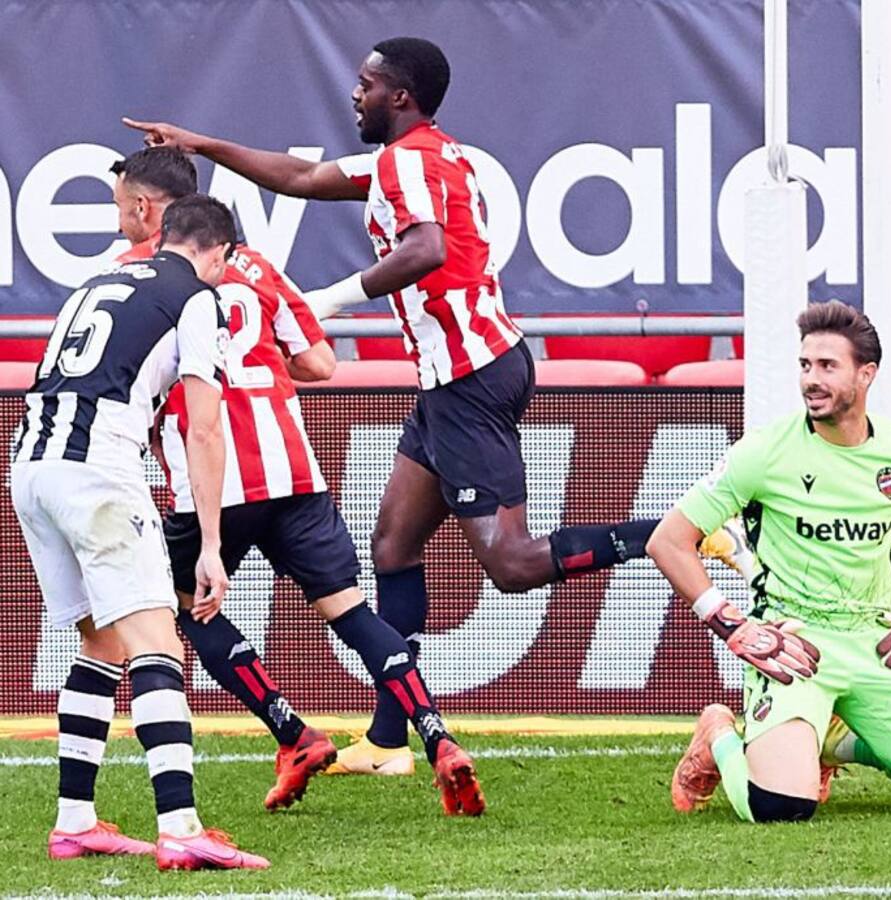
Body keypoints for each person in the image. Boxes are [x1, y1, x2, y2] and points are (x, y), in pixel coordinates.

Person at [124, 37, 669, 775]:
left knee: (511, 564)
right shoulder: (411, 157)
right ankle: (388, 740)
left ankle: (666, 534)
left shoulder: (408, 163)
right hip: (454, 378)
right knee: (392, 547)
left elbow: (426, 249)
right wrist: (202, 144)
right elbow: (303, 177)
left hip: (471, 376)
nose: (355, 94)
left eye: (367, 83)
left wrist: (329, 299)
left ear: (400, 96)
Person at [110, 146, 483, 815]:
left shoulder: (135, 274)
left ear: (145, 209)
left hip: (211, 480)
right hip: (293, 468)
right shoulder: (255, 265)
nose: (120, 223)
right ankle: (438, 738)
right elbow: (319, 363)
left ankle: (291, 732)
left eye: (121, 210)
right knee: (351, 611)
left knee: (185, 606)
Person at [647, 300, 891, 823]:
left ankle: (834, 741)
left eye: (827, 366)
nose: (811, 380)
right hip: (796, 643)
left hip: (875, 643)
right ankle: (720, 734)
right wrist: (733, 627)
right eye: (805, 365)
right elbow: (668, 541)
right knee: (781, 809)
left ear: (866, 374)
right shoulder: (765, 452)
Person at [12, 194, 269, 868]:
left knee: (100, 641)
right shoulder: (199, 297)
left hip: (31, 466)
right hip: (96, 471)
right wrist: (210, 545)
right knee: (159, 646)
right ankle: (180, 827)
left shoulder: (99, 280)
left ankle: (74, 822)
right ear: (219, 252)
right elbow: (204, 426)